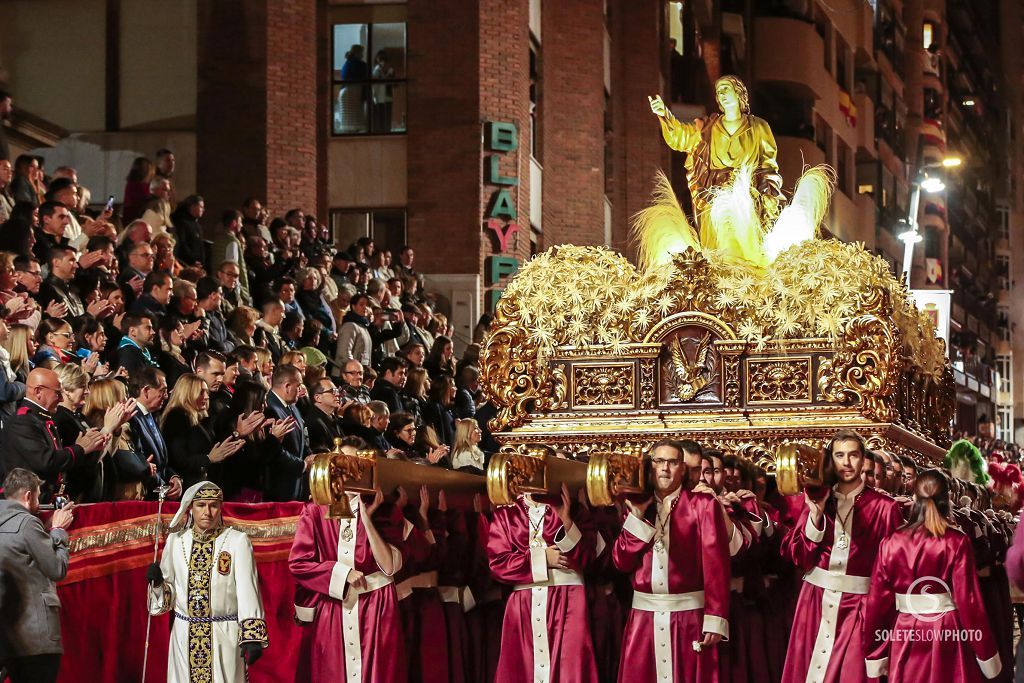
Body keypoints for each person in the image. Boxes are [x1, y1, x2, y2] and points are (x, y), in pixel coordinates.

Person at [780, 430, 905, 683]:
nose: (846, 463)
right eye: (839, 455)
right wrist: (815, 515)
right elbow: (798, 557)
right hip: (814, 603)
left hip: (858, 608)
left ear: (863, 460)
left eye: (853, 455)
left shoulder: (885, 507)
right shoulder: (817, 498)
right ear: (831, 460)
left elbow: (893, 574)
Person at [862, 469, 1001, 682]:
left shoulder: (890, 542)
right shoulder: (956, 542)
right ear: (947, 499)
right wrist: (986, 653)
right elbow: (970, 603)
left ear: (915, 498)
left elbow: (877, 604)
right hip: (947, 629)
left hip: (905, 629)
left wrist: (874, 652)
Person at [288, 438, 408, 683]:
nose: (350, 474)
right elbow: (299, 563)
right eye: (342, 467)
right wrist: (340, 573)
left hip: (377, 607)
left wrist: (366, 516)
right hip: (334, 607)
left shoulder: (385, 509)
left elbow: (390, 566)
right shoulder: (316, 510)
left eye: (356, 467)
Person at [612, 440, 732, 682]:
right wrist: (636, 518)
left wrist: (715, 618)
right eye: (659, 461)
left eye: (673, 462)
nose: (665, 468)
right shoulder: (635, 504)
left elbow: (716, 565)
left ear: (683, 469)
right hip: (643, 617)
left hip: (688, 616)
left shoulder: (703, 505)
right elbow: (621, 562)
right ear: (650, 466)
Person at [147, 481, 268, 682]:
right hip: (184, 638)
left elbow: (248, 590)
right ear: (190, 508)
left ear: (220, 507)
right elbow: (165, 602)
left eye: (213, 505)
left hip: (224, 637)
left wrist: (252, 636)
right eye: (201, 505)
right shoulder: (175, 542)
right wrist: (158, 584)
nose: (207, 512)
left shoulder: (237, 541)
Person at [0, 468, 75, 683]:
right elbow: (56, 569)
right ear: (28, 496)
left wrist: (47, 530)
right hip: (36, 639)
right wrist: (59, 530)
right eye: (39, 493)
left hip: (8, 639)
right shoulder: (28, 523)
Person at [0, 368, 107, 502]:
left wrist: (85, 448)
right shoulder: (22, 421)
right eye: (58, 393)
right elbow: (46, 461)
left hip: (44, 498)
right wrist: (80, 448)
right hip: (24, 502)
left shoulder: (41, 418)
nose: (62, 399)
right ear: (38, 391)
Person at [161, 373, 245, 490]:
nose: (206, 397)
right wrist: (207, 459)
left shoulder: (200, 419)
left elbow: (213, 449)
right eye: (201, 392)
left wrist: (236, 434)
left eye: (206, 392)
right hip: (186, 488)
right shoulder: (177, 417)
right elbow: (178, 459)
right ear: (187, 393)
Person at [128, 367, 182, 499]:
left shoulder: (151, 415)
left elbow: (162, 462)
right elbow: (142, 463)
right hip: (147, 497)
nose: (166, 396)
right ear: (146, 391)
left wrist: (174, 477)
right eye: (162, 391)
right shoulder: (132, 418)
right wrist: (165, 488)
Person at [263, 364, 307, 501]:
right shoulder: (269, 408)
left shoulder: (293, 407)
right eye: (298, 385)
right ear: (287, 386)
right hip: (277, 490)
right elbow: (273, 450)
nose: (300, 390)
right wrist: (302, 465)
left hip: (295, 487)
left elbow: (301, 441)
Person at [305, 377, 342, 453]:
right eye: (332, 391)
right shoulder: (314, 422)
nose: (338, 394)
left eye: (337, 391)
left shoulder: (332, 418)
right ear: (318, 398)